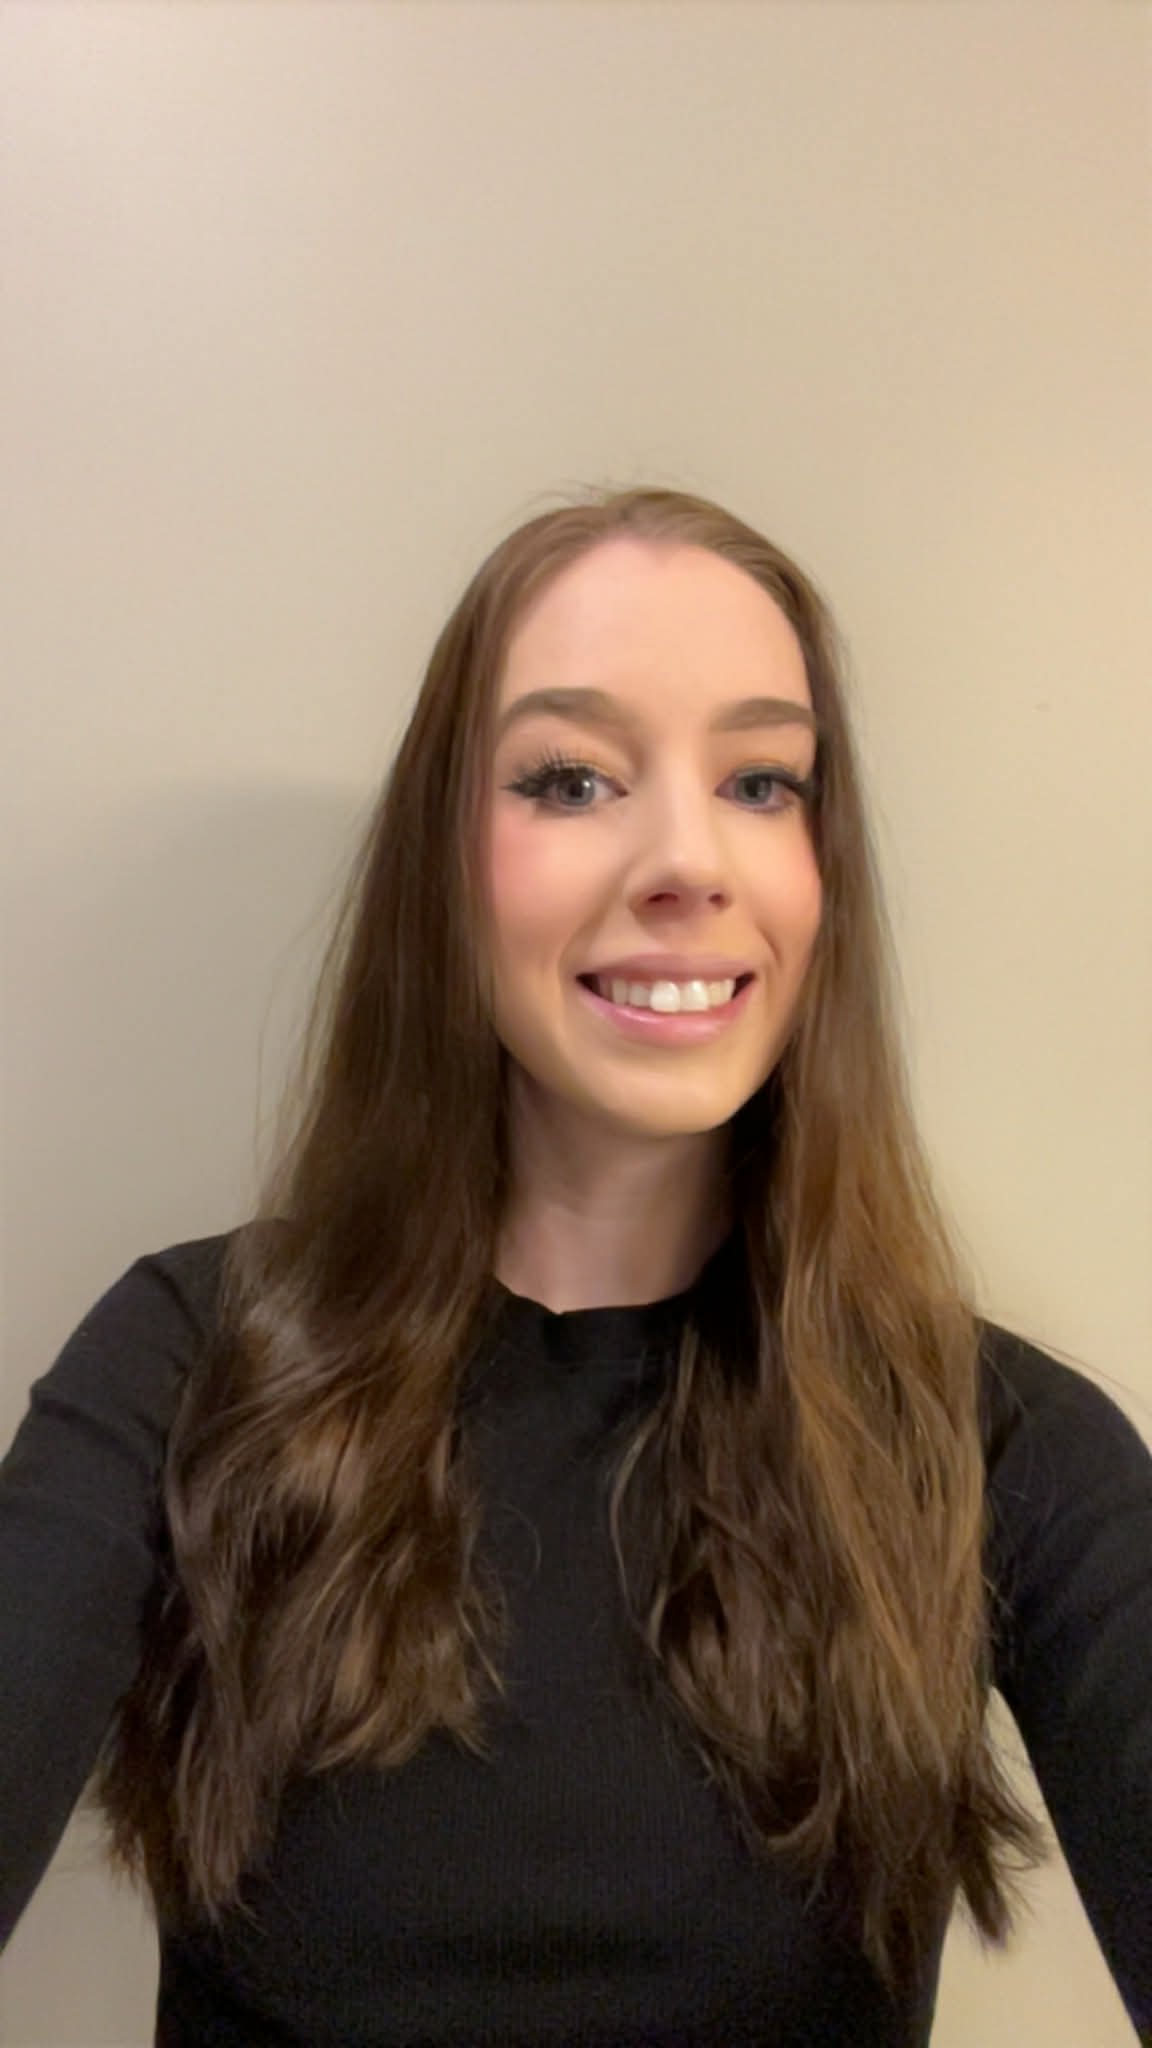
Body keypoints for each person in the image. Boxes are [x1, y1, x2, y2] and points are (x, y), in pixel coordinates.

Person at [1, 486, 1149, 2048]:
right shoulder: (187, 1361)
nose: (689, 860)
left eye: (761, 781)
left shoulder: (996, 1441)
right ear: (444, 863)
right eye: (572, 779)